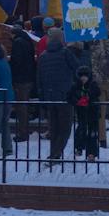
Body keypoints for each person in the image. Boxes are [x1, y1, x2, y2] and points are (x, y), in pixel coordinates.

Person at [37, 27, 79, 165]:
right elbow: (77, 68)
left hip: (49, 95)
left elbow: (39, 79)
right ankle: (55, 154)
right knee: (65, 127)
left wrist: (42, 96)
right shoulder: (66, 53)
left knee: (54, 127)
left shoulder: (43, 56)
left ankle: (53, 153)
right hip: (64, 95)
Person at [9, 25, 36, 142]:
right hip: (28, 77)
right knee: (23, 105)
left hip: (21, 79)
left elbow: (17, 61)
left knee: (21, 106)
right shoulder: (27, 41)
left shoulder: (18, 42)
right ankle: (23, 131)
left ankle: (23, 133)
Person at [69, 66, 102, 161]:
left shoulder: (93, 85)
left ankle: (91, 154)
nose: (83, 78)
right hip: (82, 113)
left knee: (92, 134)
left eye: (85, 76)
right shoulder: (76, 86)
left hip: (92, 113)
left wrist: (88, 99)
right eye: (81, 76)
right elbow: (69, 97)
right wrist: (77, 101)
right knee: (80, 131)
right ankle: (79, 148)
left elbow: (96, 93)